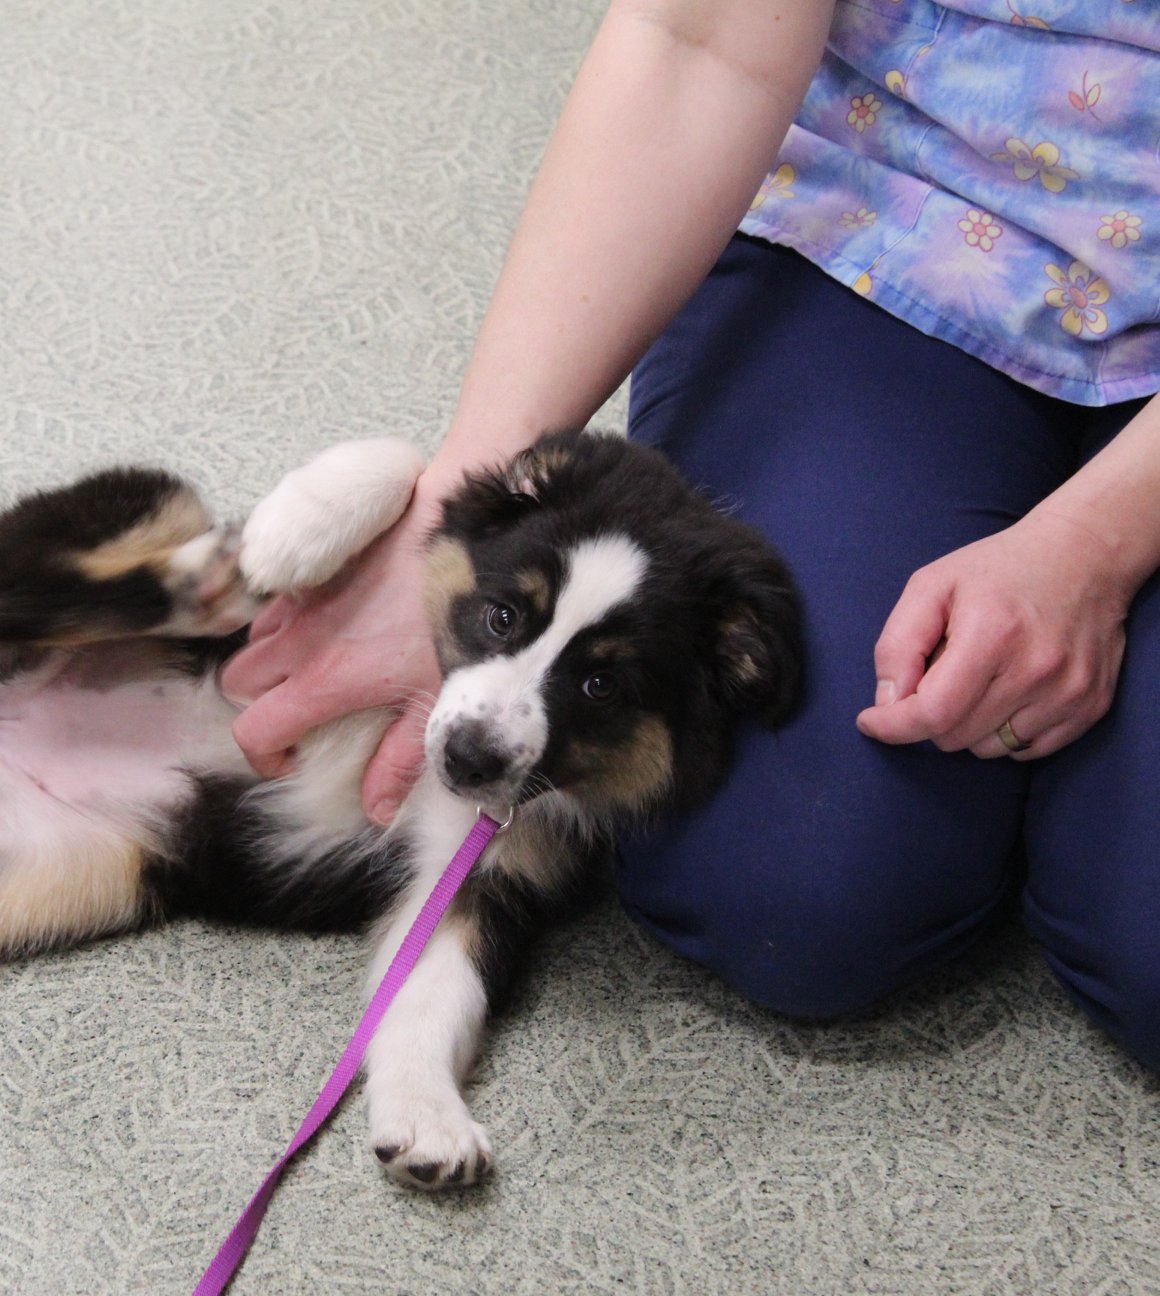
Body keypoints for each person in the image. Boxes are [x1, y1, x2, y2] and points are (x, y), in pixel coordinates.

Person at [220, 0, 1160, 1068]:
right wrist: (467, 507)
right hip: (896, 220)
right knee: (799, 900)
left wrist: (1097, 544)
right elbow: (695, 40)